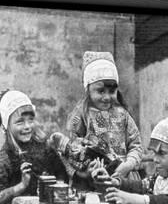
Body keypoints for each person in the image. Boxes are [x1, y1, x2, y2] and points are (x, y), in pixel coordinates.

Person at [48, 51, 142, 189]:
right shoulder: (80, 115)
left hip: (123, 178)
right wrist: (86, 168)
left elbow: (136, 144)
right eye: (100, 91)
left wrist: (128, 164)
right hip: (93, 180)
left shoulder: (123, 115)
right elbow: (73, 149)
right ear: (88, 89)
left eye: (111, 91)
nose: (106, 97)